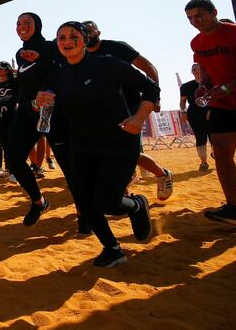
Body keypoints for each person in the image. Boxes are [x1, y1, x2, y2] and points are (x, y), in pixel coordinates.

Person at [36, 22, 158, 267]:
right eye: (61, 37)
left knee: (107, 201)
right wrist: (37, 102)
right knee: (84, 202)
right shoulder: (57, 76)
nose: (66, 41)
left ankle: (135, 205)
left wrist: (138, 118)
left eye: (73, 36)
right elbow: (42, 106)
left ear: (85, 39)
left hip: (119, 142)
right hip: (81, 145)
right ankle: (112, 249)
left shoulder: (108, 64)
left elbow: (151, 89)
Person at [185, 0, 236, 226]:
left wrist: (229, 87)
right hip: (222, 105)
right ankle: (233, 208)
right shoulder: (196, 43)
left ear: (214, 12)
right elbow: (206, 71)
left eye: (200, 15)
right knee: (220, 153)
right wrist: (203, 87)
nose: (195, 21)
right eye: (190, 18)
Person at [82, 20, 174, 201]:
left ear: (98, 33)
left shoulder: (117, 48)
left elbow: (148, 67)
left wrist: (155, 97)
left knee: (126, 152)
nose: (87, 33)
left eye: (89, 30)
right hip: (100, 110)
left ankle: (162, 174)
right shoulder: (81, 56)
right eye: (83, 31)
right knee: (106, 151)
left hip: (129, 106)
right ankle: (121, 196)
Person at [6, 12, 65, 226]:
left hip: (54, 113)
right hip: (27, 113)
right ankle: (39, 202)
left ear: (37, 25)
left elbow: (62, 72)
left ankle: (84, 213)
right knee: (13, 159)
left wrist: (41, 59)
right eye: (18, 23)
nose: (21, 26)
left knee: (69, 165)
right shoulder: (20, 53)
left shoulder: (51, 47)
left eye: (26, 23)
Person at [179, 63, 211, 171]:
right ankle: (204, 162)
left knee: (214, 136)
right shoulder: (186, 86)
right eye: (194, 70)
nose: (196, 71)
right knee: (200, 137)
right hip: (194, 114)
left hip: (211, 112)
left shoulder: (211, 83)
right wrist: (183, 112)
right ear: (192, 72)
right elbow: (182, 102)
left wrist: (211, 110)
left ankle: (217, 153)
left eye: (198, 69)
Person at [0, 61, 17, 180]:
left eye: (0, 68)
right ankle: (10, 170)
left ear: (7, 70)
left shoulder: (13, 82)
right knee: (5, 145)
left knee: (12, 145)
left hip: (12, 117)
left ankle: (14, 172)